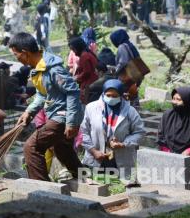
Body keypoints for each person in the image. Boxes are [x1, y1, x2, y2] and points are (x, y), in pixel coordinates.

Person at [9, 32, 83, 181]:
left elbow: (73, 91)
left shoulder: (53, 69)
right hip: (55, 115)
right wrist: (29, 111)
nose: (16, 58)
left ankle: (42, 186)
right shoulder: (38, 69)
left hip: (62, 116)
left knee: (31, 147)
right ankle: (86, 176)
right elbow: (42, 95)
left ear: (25, 53)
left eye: (16, 54)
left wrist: (72, 122)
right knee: (62, 149)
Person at [81, 79, 145, 178]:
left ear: (121, 95)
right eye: (108, 95)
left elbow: (139, 133)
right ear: (103, 93)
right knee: (95, 184)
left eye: (115, 96)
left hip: (120, 159)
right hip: (97, 157)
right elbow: (83, 132)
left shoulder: (130, 111)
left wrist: (123, 144)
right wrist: (93, 151)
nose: (111, 98)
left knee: (118, 187)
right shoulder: (91, 108)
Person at [110, 29, 141, 106]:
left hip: (127, 76)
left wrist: (115, 71)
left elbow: (123, 62)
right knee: (133, 94)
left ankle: (127, 112)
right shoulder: (129, 44)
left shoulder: (122, 47)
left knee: (125, 96)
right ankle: (134, 111)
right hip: (135, 74)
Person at [68, 37, 98, 104]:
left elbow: (86, 72)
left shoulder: (84, 56)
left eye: (74, 49)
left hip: (88, 85)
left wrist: (76, 78)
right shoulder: (87, 53)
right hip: (91, 83)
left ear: (78, 47)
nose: (74, 52)